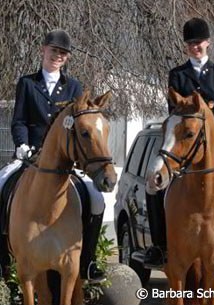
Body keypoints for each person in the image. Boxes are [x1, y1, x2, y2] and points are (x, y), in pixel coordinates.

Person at [1, 29, 106, 284]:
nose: (57, 56)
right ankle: (4, 258)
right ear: (43, 51)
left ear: (66, 58)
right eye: (53, 51)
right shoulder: (27, 83)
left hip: (64, 161)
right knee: (1, 183)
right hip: (31, 154)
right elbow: (20, 120)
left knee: (96, 199)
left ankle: (88, 262)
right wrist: (22, 144)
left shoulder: (73, 87)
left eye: (62, 53)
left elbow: (78, 127)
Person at [144, 17, 214, 267]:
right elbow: (174, 111)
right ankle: (159, 245)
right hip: (185, 144)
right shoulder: (177, 74)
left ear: (208, 43)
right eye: (190, 43)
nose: (195, 47)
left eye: (198, 42)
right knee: (154, 183)